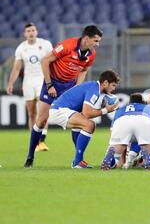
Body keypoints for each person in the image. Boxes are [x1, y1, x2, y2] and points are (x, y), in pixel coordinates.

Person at [23, 25, 103, 168]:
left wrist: (76, 88)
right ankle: (30, 157)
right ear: (86, 38)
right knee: (41, 120)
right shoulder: (67, 45)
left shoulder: (92, 54)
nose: (97, 44)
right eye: (95, 41)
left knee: (79, 119)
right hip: (52, 84)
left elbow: (83, 70)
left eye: (98, 41)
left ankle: (79, 160)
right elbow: (45, 61)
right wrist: (49, 85)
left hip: (69, 86)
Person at [49, 70, 119, 168]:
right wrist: (106, 110)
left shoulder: (93, 86)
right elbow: (87, 113)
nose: (114, 89)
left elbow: (85, 113)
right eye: (113, 85)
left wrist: (101, 109)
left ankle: (79, 161)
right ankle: (77, 162)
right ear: (105, 83)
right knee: (89, 125)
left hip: (61, 109)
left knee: (81, 126)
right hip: (60, 110)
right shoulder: (94, 89)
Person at [6, 23, 53, 151]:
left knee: (42, 110)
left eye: (33, 30)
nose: (31, 32)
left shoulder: (45, 44)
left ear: (36, 32)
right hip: (28, 81)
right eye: (28, 31)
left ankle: (42, 140)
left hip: (42, 80)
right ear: (25, 34)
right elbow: (16, 68)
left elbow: (52, 62)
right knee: (32, 113)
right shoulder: (21, 48)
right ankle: (34, 141)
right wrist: (10, 83)